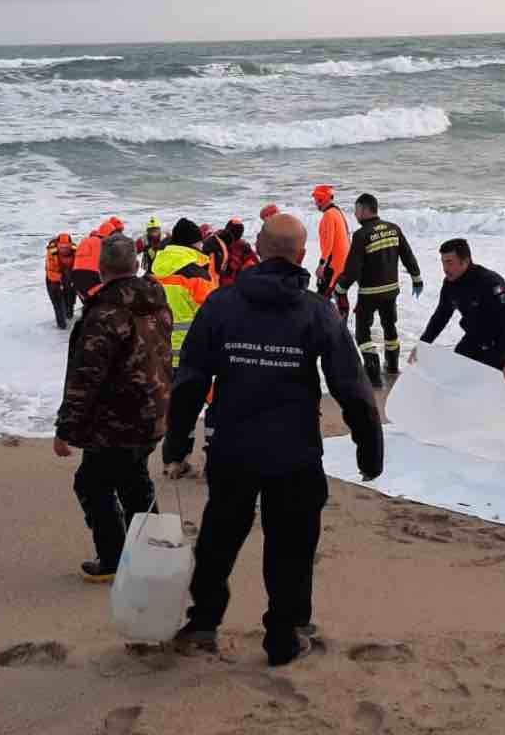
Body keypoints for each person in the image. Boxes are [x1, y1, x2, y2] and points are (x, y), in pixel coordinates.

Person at [163, 213, 383, 667]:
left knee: (218, 538)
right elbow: (352, 385)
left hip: (232, 447)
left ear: (260, 250)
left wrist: (177, 442)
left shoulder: (222, 305)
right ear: (302, 256)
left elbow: (190, 380)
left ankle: (203, 621)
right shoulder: (316, 310)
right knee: (292, 547)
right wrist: (369, 446)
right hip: (294, 452)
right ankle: (283, 636)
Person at [54, 236, 173, 582]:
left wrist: (66, 430)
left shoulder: (105, 313)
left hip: (116, 421)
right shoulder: (157, 302)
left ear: (101, 270)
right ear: (135, 265)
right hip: (155, 410)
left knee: (92, 483)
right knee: (134, 478)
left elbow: (85, 377)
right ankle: (156, 551)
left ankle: (113, 558)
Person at [334, 193, 423, 388]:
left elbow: (352, 269)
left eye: (356, 209)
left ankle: (373, 375)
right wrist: (417, 278)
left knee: (363, 333)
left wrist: (340, 288)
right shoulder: (393, 229)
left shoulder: (361, 235)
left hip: (369, 293)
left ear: (365, 210)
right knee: (390, 326)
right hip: (391, 290)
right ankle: (392, 366)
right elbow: (408, 255)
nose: (355, 214)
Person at [415, 239, 505, 383]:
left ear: (465, 261)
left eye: (449, 262)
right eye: (443, 262)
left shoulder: (490, 282)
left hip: (500, 343)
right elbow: (441, 316)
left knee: (485, 385)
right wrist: (422, 346)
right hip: (475, 338)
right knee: (455, 375)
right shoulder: (450, 284)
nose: (445, 268)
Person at [152, 219, 218, 370]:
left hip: (157, 353)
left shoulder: (153, 270)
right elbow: (215, 316)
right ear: (193, 244)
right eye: (200, 242)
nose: (202, 246)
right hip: (189, 354)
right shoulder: (198, 276)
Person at [311, 185, 350, 306]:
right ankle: (341, 322)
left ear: (322, 199)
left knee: (322, 297)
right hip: (343, 262)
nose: (315, 203)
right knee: (338, 294)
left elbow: (329, 242)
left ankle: (325, 323)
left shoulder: (328, 215)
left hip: (333, 263)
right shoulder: (337, 212)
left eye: (316, 200)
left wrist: (321, 264)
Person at [72, 217, 125, 302]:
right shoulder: (106, 243)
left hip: (75, 276)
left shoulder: (86, 240)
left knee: (89, 303)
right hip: (93, 276)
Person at [212, 219, 259, 289]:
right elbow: (257, 266)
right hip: (226, 284)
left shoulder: (213, 240)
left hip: (217, 283)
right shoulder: (244, 247)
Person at [44, 233, 77, 330]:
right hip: (53, 278)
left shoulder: (75, 250)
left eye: (66, 247)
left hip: (69, 276)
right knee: (58, 303)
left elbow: (78, 266)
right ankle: (62, 326)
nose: (64, 249)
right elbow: (51, 271)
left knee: (70, 299)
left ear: (70, 245)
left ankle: (70, 315)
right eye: (61, 247)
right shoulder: (51, 253)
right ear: (57, 245)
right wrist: (61, 282)